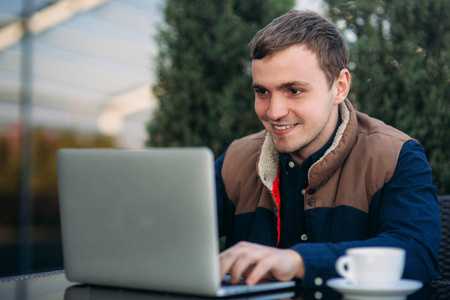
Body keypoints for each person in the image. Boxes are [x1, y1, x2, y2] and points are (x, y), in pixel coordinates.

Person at [215, 10, 440, 288]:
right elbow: (173, 237)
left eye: (294, 90)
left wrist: (299, 262)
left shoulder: (396, 156)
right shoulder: (235, 160)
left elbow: (417, 255)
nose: (274, 112)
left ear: (340, 87)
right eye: (262, 92)